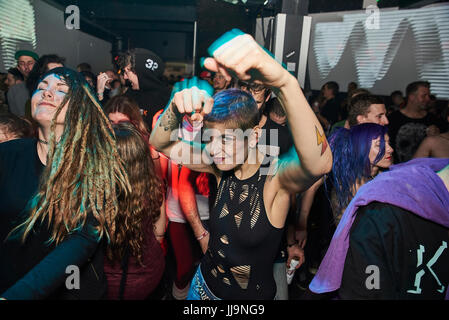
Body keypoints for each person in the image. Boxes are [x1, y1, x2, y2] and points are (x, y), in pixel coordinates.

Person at [150, 29, 332, 300]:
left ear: (254, 136)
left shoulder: (274, 179)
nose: (214, 149)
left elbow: (319, 164)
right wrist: (175, 108)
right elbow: (161, 143)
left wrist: (285, 83)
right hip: (201, 289)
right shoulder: (219, 165)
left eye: (226, 139)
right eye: (210, 138)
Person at [0, 67, 130, 299]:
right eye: (41, 88)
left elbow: (82, 239)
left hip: (68, 292)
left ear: (79, 107)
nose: (47, 93)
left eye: (61, 90)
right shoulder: (8, 154)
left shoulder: (96, 165)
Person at [310, 158, 449, 300]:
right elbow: (345, 231)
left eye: (388, 143)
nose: (389, 149)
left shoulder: (390, 182)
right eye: (380, 144)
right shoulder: (371, 196)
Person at [103, 123, 165, 300]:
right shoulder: (151, 186)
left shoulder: (97, 200)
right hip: (150, 273)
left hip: (112, 284)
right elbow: (160, 230)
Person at [388, 81, 443, 163]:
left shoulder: (434, 119)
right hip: (398, 170)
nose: (428, 99)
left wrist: (438, 136)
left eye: (429, 96)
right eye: (424, 96)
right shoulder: (393, 119)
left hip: (425, 171)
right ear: (411, 97)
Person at [116, 49, 171, 130]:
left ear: (141, 72)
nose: (125, 77)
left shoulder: (167, 99)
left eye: (127, 72)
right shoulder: (130, 94)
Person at [7, 51, 38, 117]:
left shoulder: (45, 86)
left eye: (30, 63)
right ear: (18, 68)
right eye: (22, 63)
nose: (26, 67)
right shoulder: (14, 90)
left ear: (37, 66)